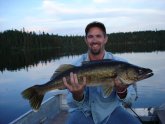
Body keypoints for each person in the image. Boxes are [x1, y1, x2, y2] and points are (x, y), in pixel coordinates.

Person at [62, 21, 141, 124]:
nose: (94, 40)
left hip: (112, 111)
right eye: (90, 36)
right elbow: (71, 103)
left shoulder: (122, 65)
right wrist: (78, 95)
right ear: (86, 40)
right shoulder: (75, 66)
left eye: (98, 36)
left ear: (105, 39)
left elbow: (130, 100)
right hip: (82, 112)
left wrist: (122, 92)